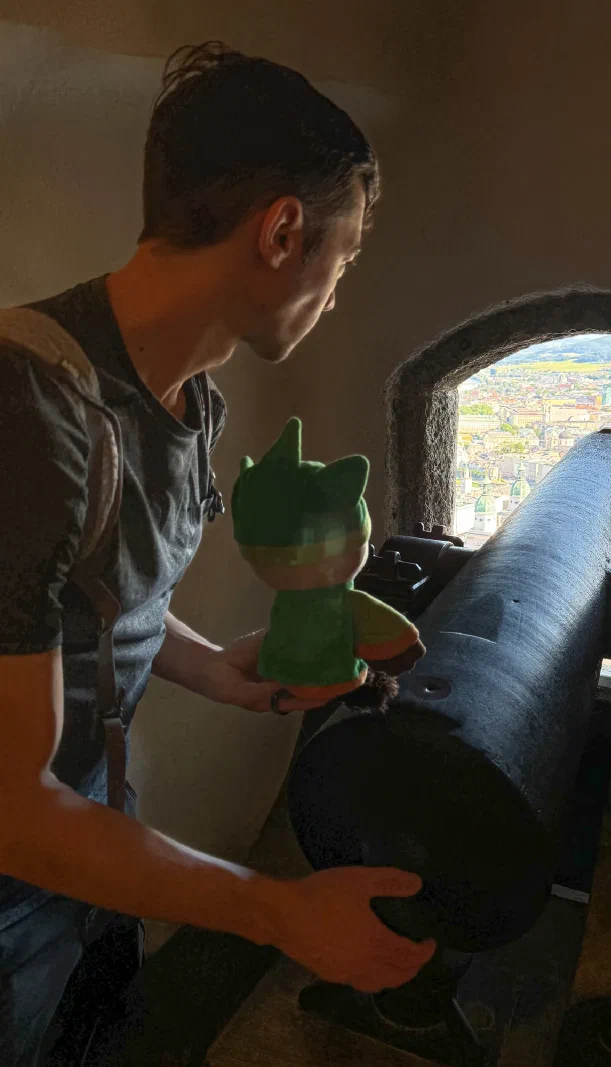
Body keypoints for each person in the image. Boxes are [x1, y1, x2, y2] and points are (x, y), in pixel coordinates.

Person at [0, 41, 435, 1066]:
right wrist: (276, 911)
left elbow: (88, 592)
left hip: (98, 829)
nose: (336, 287)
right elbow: (11, 809)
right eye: (347, 255)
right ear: (283, 230)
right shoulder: (28, 411)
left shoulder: (192, 402)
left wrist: (211, 667)